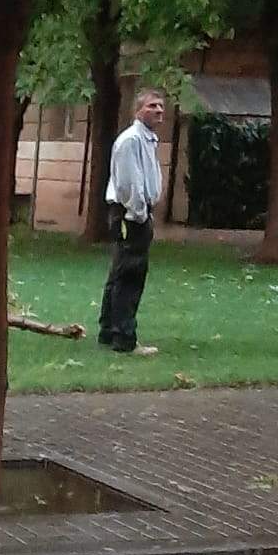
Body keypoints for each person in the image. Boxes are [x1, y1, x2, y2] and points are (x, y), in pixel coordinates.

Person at [98, 88, 166, 355]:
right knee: (130, 275)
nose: (159, 110)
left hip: (134, 211)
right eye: (152, 106)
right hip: (130, 213)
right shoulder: (131, 140)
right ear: (138, 110)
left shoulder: (148, 140)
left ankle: (108, 329)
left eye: (161, 106)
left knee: (119, 272)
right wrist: (138, 214)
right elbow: (129, 183)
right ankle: (124, 337)